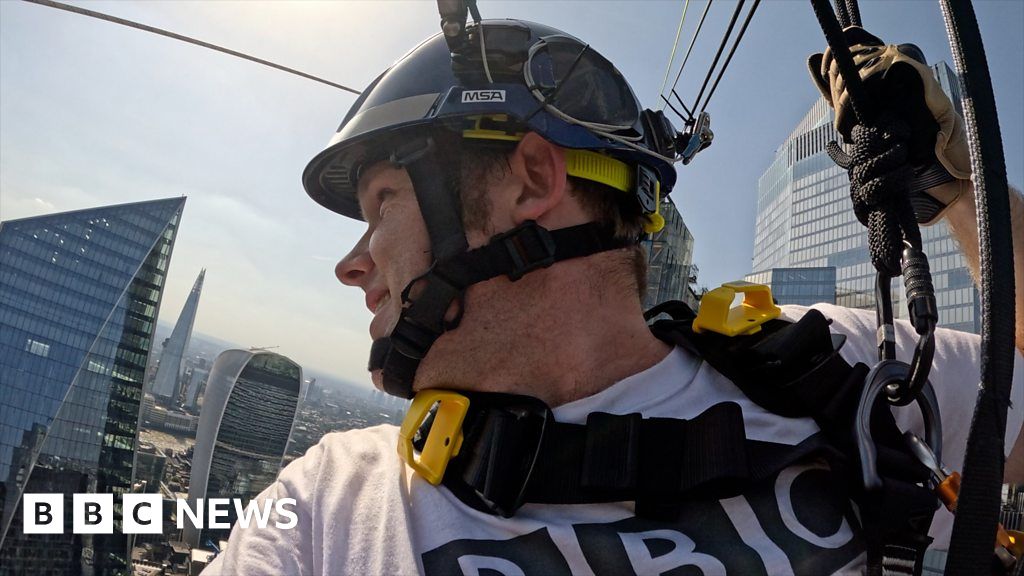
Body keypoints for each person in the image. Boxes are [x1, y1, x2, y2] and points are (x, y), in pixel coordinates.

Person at [203, 15, 1024, 576]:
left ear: (532, 179)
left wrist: (950, 190)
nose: (351, 264)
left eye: (383, 202)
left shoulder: (837, 366)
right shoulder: (327, 507)